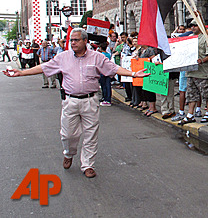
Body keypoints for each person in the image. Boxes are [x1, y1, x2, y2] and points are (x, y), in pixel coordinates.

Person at [3, 28, 149, 178]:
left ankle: (88, 165)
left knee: (91, 134)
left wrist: (133, 74)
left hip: (90, 101)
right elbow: (45, 67)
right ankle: (69, 153)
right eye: (71, 40)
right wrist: (21, 73)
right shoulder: (63, 57)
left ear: (85, 41)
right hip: (70, 101)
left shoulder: (96, 57)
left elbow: (113, 68)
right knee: (68, 135)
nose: (73, 43)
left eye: (76, 40)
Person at [177, 19, 208, 125]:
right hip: (190, 72)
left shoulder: (206, 38)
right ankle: (190, 114)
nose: (193, 27)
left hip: (202, 72)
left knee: (206, 93)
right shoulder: (189, 38)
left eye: (195, 25)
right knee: (191, 94)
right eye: (191, 25)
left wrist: (202, 60)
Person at [97, 41, 112, 106]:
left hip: (102, 72)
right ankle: (107, 98)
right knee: (108, 85)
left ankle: (106, 98)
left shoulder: (100, 55)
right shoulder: (108, 54)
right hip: (108, 71)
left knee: (104, 86)